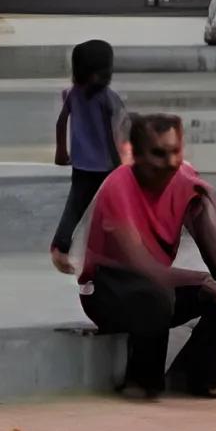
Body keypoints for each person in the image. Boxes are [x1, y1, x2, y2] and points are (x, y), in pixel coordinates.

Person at [77, 113, 216, 400]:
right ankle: (141, 382)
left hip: (156, 286)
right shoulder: (118, 188)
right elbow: (143, 266)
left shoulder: (184, 178)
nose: (170, 163)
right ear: (136, 155)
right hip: (107, 290)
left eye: (174, 152)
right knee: (157, 293)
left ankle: (194, 378)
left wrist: (204, 207)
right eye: (158, 154)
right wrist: (200, 279)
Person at [50, 39, 131, 274]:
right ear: (99, 73)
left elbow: (60, 121)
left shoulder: (72, 93)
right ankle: (117, 251)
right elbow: (114, 131)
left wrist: (61, 152)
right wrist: (120, 162)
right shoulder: (108, 97)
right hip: (106, 166)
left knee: (76, 205)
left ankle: (59, 247)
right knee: (113, 207)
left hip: (82, 164)